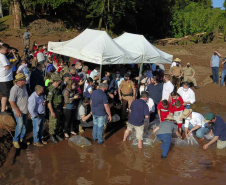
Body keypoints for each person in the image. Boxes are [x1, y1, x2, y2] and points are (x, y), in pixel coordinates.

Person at [9, 73, 29, 149]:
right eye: (24, 79)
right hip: (19, 110)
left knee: (24, 126)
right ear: (19, 81)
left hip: (25, 110)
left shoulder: (24, 86)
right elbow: (11, 101)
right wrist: (17, 110)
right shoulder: (14, 89)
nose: (25, 80)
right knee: (20, 125)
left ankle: (22, 138)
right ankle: (15, 140)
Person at [0, 44, 17, 114]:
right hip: (4, 79)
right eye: (6, 50)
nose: (7, 52)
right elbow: (7, 67)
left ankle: (6, 107)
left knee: (7, 94)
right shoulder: (2, 56)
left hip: (6, 78)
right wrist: (14, 63)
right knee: (5, 95)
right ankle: (3, 110)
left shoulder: (3, 56)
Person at [47, 75, 64, 143]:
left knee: (57, 122)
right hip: (54, 108)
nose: (60, 83)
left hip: (58, 108)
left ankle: (56, 134)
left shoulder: (57, 88)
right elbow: (49, 102)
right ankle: (52, 135)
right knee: (53, 123)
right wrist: (52, 111)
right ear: (56, 82)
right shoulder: (51, 89)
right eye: (59, 82)